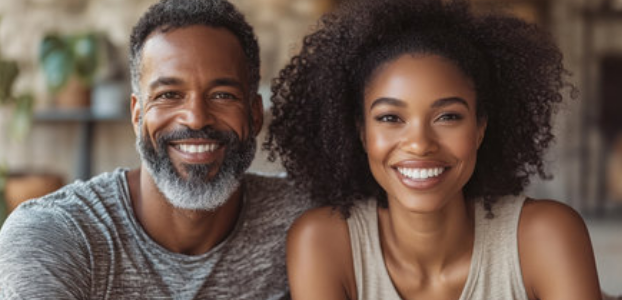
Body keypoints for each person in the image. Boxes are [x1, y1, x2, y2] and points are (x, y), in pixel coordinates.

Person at [266, 0, 603, 299]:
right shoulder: (324, 243)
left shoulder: (545, 236)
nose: (420, 144)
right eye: (390, 117)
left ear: (480, 127)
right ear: (361, 131)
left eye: (448, 116)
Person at [0, 0, 311, 298]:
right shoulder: (55, 236)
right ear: (137, 115)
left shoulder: (304, 217)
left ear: (255, 114)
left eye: (222, 95)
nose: (196, 118)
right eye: (169, 94)